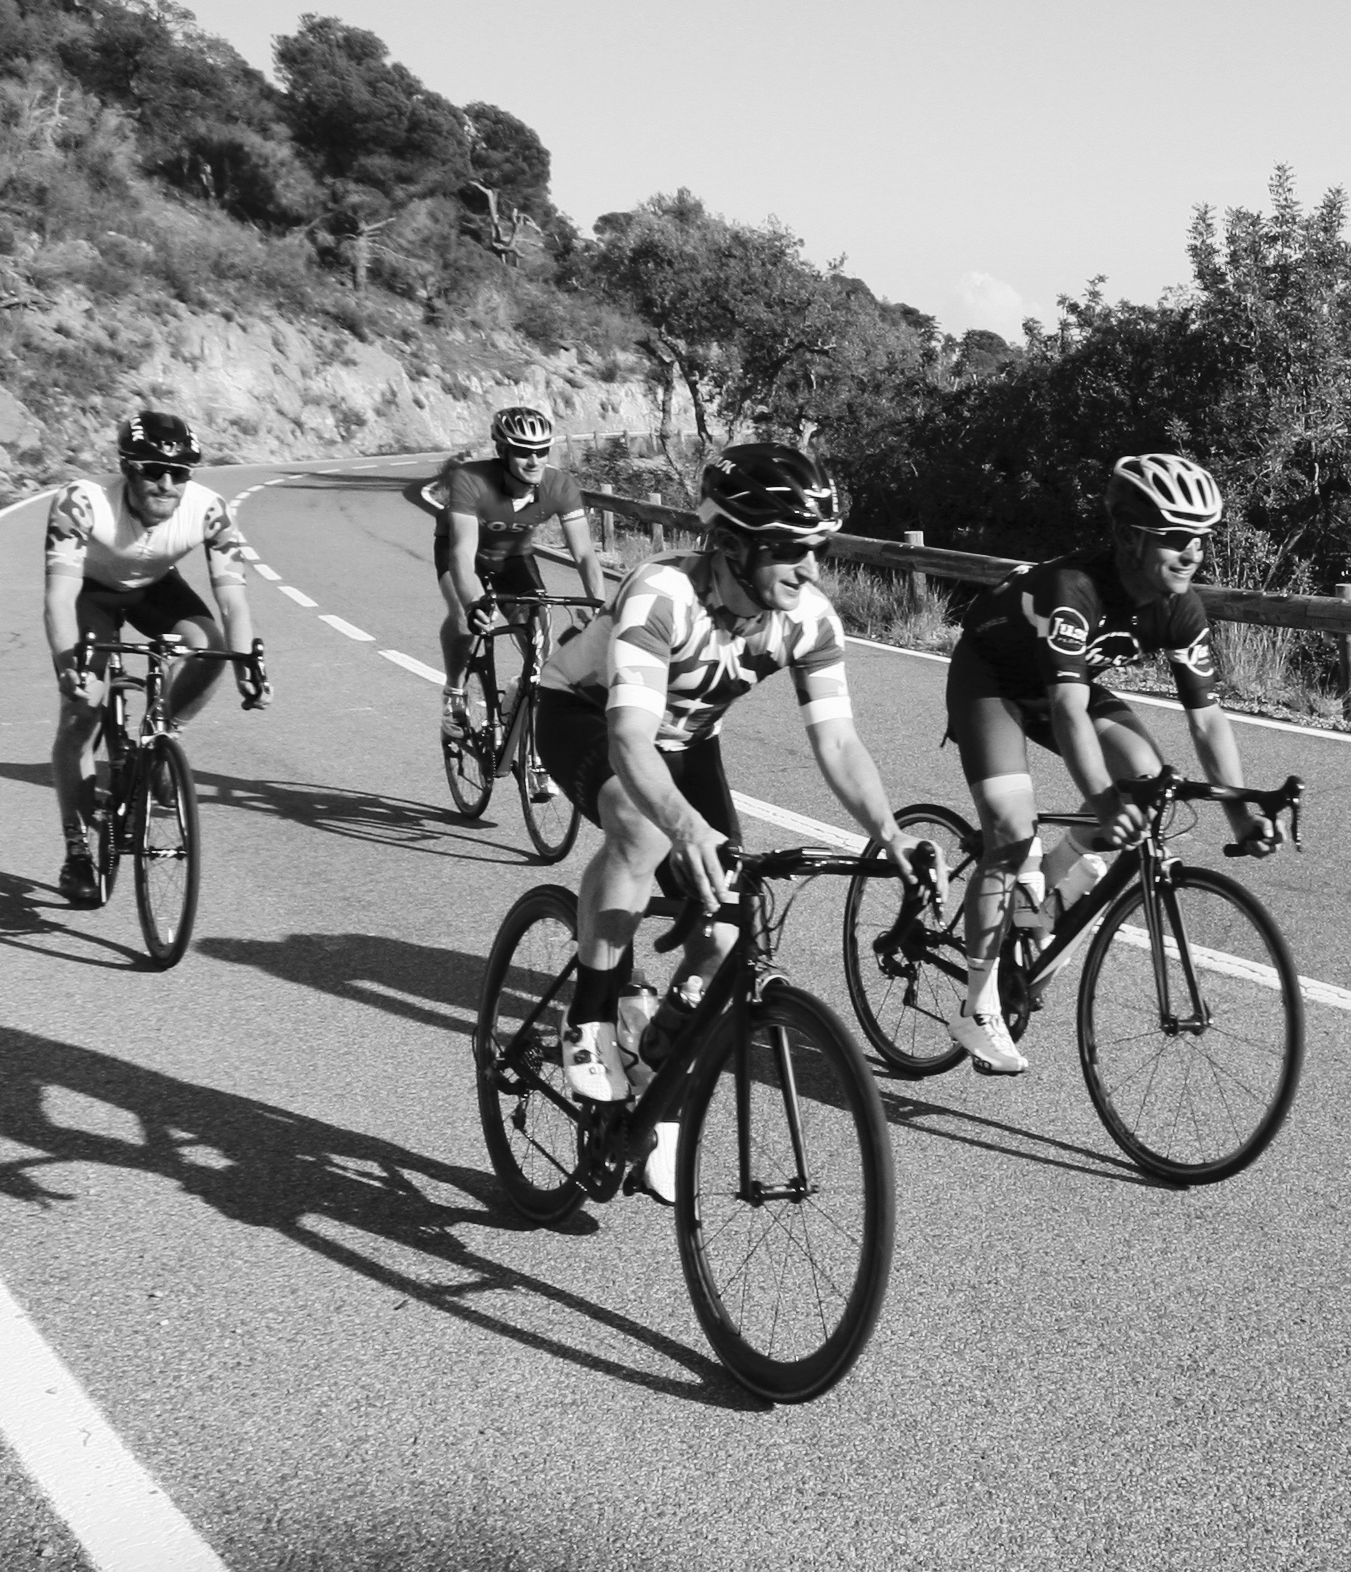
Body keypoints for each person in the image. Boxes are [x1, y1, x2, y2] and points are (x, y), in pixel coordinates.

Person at [532, 441, 929, 1194]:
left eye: (817, 549)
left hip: (687, 740)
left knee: (724, 929)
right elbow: (628, 740)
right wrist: (685, 828)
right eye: (788, 550)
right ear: (731, 545)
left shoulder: (809, 619)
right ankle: (588, 1019)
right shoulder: (662, 593)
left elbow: (838, 742)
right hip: (585, 715)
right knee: (644, 829)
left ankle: (656, 1068)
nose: (810, 570)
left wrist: (890, 833)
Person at [939, 451, 1277, 1073]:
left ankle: (1049, 895)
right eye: (1174, 537)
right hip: (992, 682)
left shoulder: (1180, 606)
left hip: (1064, 683)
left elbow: (1207, 720)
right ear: (1128, 537)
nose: (1193, 552)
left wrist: (1239, 814)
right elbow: (1068, 713)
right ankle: (977, 1005)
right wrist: (1101, 802)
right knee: (1011, 832)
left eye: (1201, 537)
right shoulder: (1075, 590)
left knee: (1146, 786)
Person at [43, 410, 264, 907]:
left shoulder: (208, 509)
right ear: (127, 468)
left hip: (154, 588)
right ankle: (77, 849)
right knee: (81, 713)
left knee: (209, 645)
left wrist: (247, 666)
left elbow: (233, 600)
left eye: (180, 473)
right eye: (153, 471)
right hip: (88, 593)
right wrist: (68, 665)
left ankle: (163, 733)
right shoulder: (81, 501)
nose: (167, 484)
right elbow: (59, 597)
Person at [422, 402, 604, 743]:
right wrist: (474, 603)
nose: (534, 461)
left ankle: (518, 695)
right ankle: (455, 694)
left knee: (539, 636)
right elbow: (462, 554)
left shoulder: (560, 486)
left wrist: (600, 608)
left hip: (514, 557)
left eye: (542, 451)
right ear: (502, 451)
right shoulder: (471, 479)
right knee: (463, 616)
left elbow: (584, 555)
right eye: (523, 452)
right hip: (462, 553)